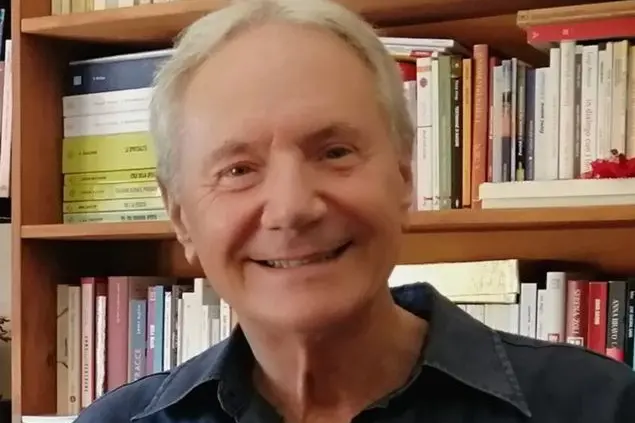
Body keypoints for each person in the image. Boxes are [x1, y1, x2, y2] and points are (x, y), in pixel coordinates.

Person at [75, 0, 635, 422]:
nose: (292, 208)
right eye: (238, 170)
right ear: (180, 217)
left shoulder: (599, 407)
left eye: (335, 152)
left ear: (404, 177)